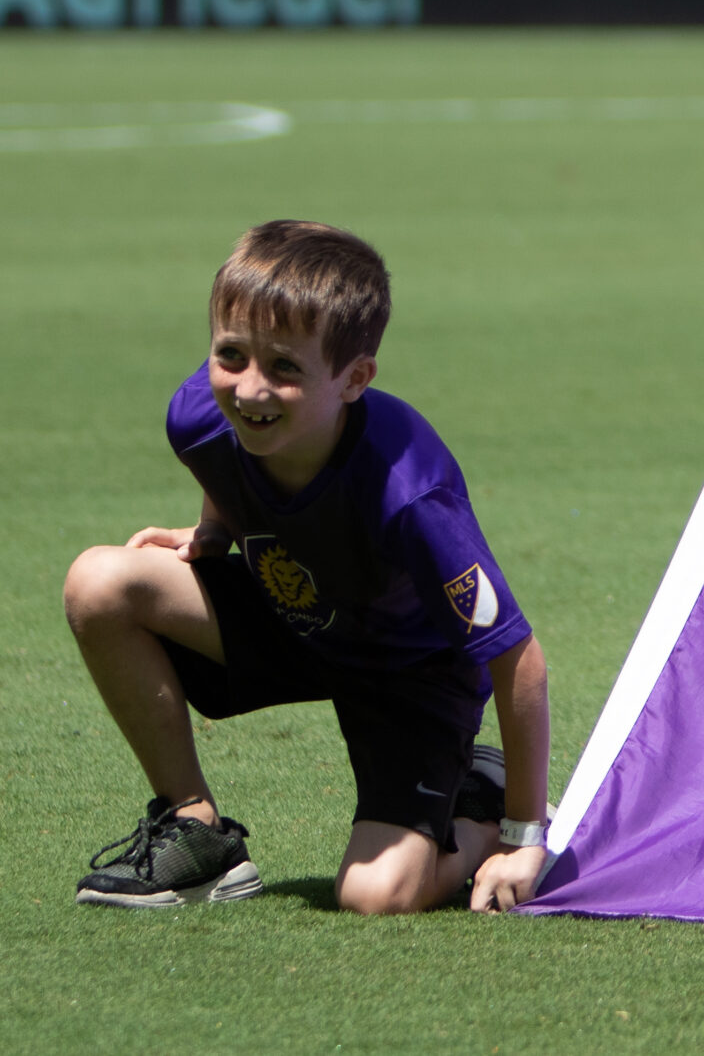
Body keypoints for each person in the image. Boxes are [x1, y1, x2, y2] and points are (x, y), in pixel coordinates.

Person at [60, 222, 551, 914]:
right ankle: (196, 831)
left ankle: (479, 807)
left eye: (285, 368)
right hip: (299, 621)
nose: (250, 389)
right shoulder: (201, 410)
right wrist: (212, 528)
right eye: (231, 354)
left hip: (408, 674)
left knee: (375, 895)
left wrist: (525, 836)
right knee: (102, 580)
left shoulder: (411, 494)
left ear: (355, 377)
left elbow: (517, 657)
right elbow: (222, 449)